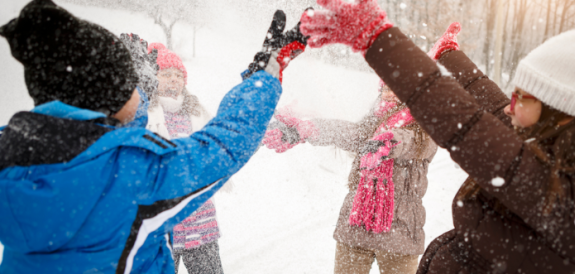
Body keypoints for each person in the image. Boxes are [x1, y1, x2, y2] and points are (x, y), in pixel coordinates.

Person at [300, 1, 575, 273]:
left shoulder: (574, 196)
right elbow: (494, 106)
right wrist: (450, 57)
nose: (509, 109)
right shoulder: (549, 149)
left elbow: (464, 124)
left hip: (398, 235)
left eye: (522, 98)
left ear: (564, 114)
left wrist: (377, 38)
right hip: (359, 227)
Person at [0, 1, 308, 273]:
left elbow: (102, 138)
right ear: (112, 99)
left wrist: (139, 92)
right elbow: (224, 143)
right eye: (133, 84)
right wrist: (265, 75)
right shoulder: (133, 173)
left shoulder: (10, 156)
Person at [264, 83, 437, 274]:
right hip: (356, 226)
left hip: (399, 235)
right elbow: (347, 132)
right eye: (385, 89)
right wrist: (308, 129)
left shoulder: (425, 130)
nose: (389, 94)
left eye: (397, 89)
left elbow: (410, 141)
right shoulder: (371, 126)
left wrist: (389, 141)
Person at [145, 42, 222, 274]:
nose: (173, 80)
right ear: (153, 78)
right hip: (163, 225)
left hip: (201, 220)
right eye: (166, 74)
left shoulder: (197, 111)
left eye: (178, 75)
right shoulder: (145, 112)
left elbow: (217, 148)